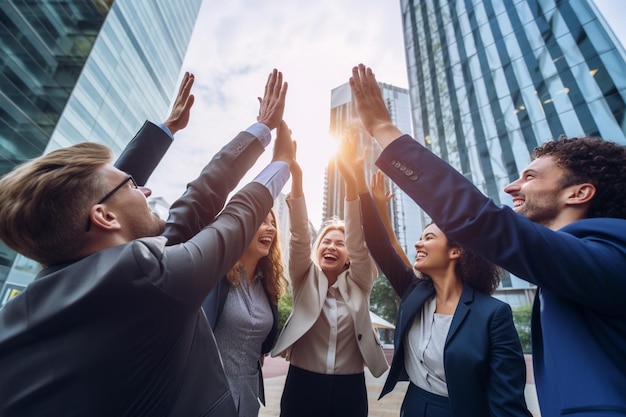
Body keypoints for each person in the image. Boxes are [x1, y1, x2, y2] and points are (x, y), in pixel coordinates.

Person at [0, 69, 292, 417]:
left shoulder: (53, 284)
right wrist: (281, 163)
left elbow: (186, 203)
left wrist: (172, 130)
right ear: (104, 218)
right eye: (132, 186)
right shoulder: (147, 276)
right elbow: (234, 217)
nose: (146, 190)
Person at [349, 63, 626, 417]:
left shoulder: (613, 254)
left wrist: (382, 128)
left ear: (579, 192)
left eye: (529, 176)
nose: (512, 187)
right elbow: (383, 245)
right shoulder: (575, 269)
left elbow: (482, 220)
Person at [337, 135, 531, 416]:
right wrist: (358, 182)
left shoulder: (493, 315)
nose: (418, 244)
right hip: (414, 406)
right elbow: (380, 244)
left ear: (456, 251)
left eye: (428, 237)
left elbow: (508, 404)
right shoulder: (414, 292)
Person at [270, 141, 388, 417]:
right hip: (302, 384)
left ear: (349, 256)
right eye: (326, 241)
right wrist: (297, 177)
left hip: (350, 389)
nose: (332, 246)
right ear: (318, 248)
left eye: (340, 243)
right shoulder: (303, 276)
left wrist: (350, 182)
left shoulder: (361, 281)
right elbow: (299, 236)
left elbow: (360, 243)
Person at [202, 206, 288, 416]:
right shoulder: (215, 274)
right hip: (207, 397)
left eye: (273, 224)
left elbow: (262, 347)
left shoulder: (269, 286)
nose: (271, 229)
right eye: (263, 222)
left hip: (249, 399)